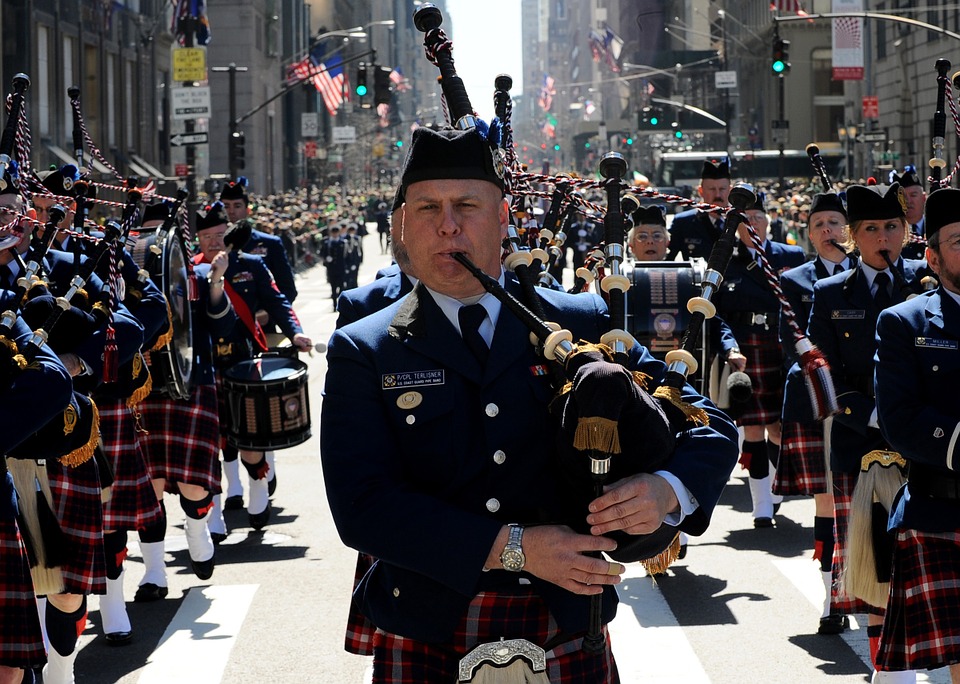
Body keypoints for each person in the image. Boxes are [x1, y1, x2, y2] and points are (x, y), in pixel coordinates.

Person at [320, 125, 739, 682]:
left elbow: (709, 425)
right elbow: (362, 505)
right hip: (428, 625)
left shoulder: (585, 323)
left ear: (503, 217)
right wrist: (514, 548)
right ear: (401, 224)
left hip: (565, 620)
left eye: (466, 205)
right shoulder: (365, 347)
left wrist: (667, 490)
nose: (447, 224)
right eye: (427, 208)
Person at [807, 182, 927, 683]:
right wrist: (876, 417)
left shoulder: (926, 286)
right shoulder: (831, 293)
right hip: (861, 446)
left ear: (906, 231)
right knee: (875, 563)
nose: (884, 236)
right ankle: (888, 671)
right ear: (853, 236)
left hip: (923, 448)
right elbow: (819, 371)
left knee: (921, 561)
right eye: (872, 228)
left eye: (892, 227)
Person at [873, 186, 960, 683]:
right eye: (958, 241)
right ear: (931, 255)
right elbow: (900, 419)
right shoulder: (904, 322)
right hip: (941, 511)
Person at [133, 203, 237, 600]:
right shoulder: (126, 278)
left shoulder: (194, 275)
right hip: (145, 390)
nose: (153, 246)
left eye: (160, 236)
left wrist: (216, 283)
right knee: (150, 486)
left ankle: (197, 533)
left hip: (194, 383)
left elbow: (223, 326)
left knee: (195, 485)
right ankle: (154, 573)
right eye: (147, 236)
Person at [193, 202, 311, 531]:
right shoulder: (190, 269)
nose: (214, 242)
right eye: (207, 236)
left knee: (248, 434)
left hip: (243, 359)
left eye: (219, 234)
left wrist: (295, 331)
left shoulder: (252, 265)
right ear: (198, 239)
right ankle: (215, 510)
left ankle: (258, 484)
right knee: (211, 441)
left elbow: (277, 301)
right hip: (206, 363)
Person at [775, 191, 855, 634]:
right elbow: (789, 341)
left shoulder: (871, 276)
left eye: (835, 223)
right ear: (807, 233)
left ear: (849, 231)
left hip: (865, 404)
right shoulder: (794, 281)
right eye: (820, 224)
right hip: (813, 400)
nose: (829, 231)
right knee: (828, 503)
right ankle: (831, 601)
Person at [715, 193, 806, 527]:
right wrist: (729, 348)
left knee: (780, 428)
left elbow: (803, 303)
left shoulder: (791, 255)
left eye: (759, 218)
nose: (753, 225)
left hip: (781, 347)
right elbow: (717, 314)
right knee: (752, 427)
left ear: (769, 221)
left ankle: (776, 486)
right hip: (746, 348)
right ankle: (761, 505)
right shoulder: (726, 259)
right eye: (746, 219)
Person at [220, 177, 298, 305]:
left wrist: (269, 314)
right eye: (226, 206)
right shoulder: (213, 245)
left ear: (247, 210)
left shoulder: (270, 243)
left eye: (237, 206)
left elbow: (288, 289)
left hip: (261, 319)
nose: (231, 211)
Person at [666, 159, 732, 260]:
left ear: (730, 190)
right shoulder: (684, 223)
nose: (718, 195)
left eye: (722, 189)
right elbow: (667, 260)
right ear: (701, 191)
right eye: (712, 189)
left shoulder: (738, 222)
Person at [891, 167, 927, 260]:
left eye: (913, 195)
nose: (908, 201)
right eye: (903, 196)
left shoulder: (935, 227)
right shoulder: (890, 232)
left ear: (924, 197)